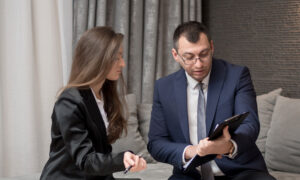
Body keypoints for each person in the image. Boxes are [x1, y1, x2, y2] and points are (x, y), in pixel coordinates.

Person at [147, 21, 275, 180]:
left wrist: (228, 146)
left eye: (204, 54)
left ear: (212, 47)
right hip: (190, 175)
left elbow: (250, 125)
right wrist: (192, 151)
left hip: (241, 172)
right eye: (189, 57)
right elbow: (156, 143)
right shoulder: (164, 87)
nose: (198, 64)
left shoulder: (237, 76)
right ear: (176, 55)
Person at [40, 27, 147, 180]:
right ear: (97, 58)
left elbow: (100, 152)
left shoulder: (103, 94)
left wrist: (128, 158)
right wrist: (121, 159)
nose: (122, 64)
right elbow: (86, 160)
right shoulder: (69, 102)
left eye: (121, 57)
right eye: (116, 58)